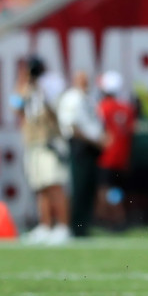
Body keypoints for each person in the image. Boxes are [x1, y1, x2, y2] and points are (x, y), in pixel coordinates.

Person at [15, 56, 71, 245]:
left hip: (49, 142)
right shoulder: (28, 89)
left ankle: (63, 226)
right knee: (40, 187)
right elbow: (16, 107)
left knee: (54, 185)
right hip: (33, 143)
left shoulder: (50, 84)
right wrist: (23, 84)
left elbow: (56, 108)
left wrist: (40, 88)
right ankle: (45, 225)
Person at [57, 70, 104, 238]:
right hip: (80, 146)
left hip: (92, 147)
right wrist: (95, 140)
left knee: (89, 188)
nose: (85, 82)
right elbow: (73, 127)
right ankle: (75, 226)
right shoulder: (71, 98)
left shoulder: (89, 98)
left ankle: (84, 225)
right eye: (82, 79)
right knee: (79, 187)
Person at [96, 71, 135, 232]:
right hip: (122, 155)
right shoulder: (127, 108)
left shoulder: (102, 107)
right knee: (116, 189)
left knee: (105, 189)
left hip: (105, 155)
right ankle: (118, 216)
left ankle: (115, 217)